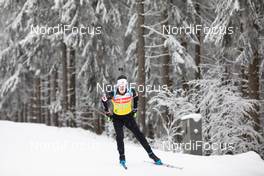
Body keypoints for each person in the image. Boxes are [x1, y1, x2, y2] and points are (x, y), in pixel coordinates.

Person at [101, 75, 162, 166]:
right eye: (120, 84)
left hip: (128, 117)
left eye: (124, 84)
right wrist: (107, 113)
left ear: (126, 84)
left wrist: (135, 109)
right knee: (120, 136)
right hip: (117, 118)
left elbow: (136, 97)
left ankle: (151, 155)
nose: (122, 86)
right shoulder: (113, 93)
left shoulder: (131, 91)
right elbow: (103, 100)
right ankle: (122, 157)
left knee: (139, 135)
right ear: (117, 85)